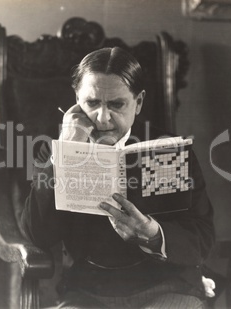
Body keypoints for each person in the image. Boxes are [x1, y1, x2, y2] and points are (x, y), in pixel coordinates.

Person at [21, 47, 215, 308]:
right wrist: (65, 155)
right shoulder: (53, 152)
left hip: (167, 286)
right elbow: (37, 235)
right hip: (88, 292)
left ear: (139, 102)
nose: (102, 119)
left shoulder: (168, 148)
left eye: (116, 104)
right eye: (91, 103)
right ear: (76, 99)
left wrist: (154, 234)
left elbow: (202, 235)